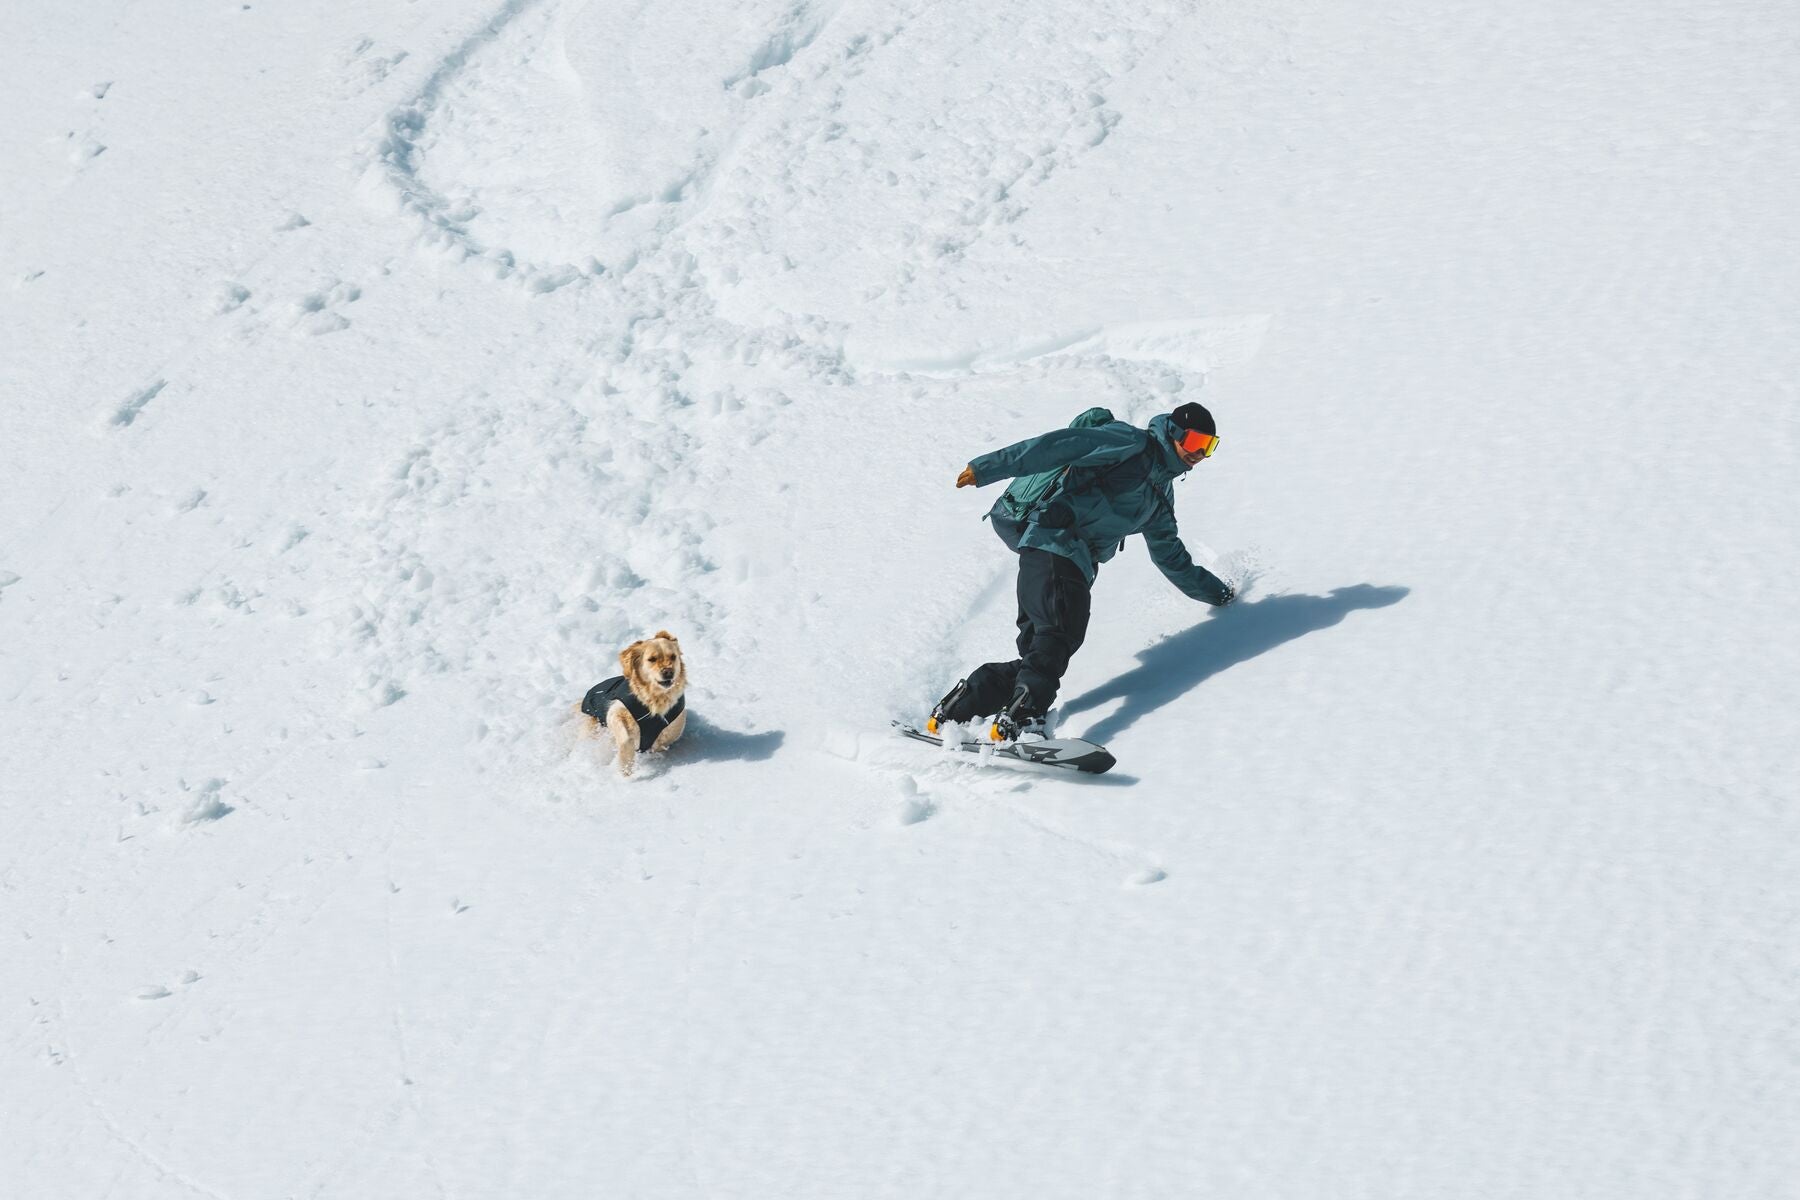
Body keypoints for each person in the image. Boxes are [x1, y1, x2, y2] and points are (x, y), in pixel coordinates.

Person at [929, 401, 1235, 743]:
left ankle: (957, 710)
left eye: (1209, 447)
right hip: (1053, 544)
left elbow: (1172, 558)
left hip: (1063, 561)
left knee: (1042, 654)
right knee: (1059, 636)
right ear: (1175, 433)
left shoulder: (1160, 499)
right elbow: (1057, 446)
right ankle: (1026, 719)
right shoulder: (1130, 442)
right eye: (1195, 443)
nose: (1199, 454)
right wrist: (986, 468)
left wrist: (1219, 593)